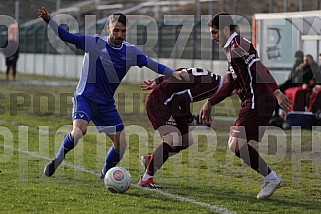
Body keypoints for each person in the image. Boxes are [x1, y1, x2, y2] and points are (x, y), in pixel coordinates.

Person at [37, 7, 189, 178]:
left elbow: (152, 64)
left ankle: (104, 173)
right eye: (115, 30)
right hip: (85, 98)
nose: (119, 34)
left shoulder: (130, 52)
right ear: (108, 29)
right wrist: (50, 20)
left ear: (127, 31)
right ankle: (58, 159)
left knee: (121, 144)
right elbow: (67, 37)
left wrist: (173, 73)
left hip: (106, 104)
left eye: (123, 31)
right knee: (79, 131)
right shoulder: (94, 43)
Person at [199, 12, 292, 200]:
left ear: (226, 30)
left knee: (236, 144)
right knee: (236, 145)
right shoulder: (232, 48)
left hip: (258, 101)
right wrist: (210, 102)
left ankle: (272, 178)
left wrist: (276, 91)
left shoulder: (238, 45)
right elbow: (230, 83)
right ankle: (271, 177)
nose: (213, 37)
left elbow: (259, 68)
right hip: (252, 102)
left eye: (215, 32)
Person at [137, 67, 223, 188]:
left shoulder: (211, 77)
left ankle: (150, 160)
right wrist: (189, 119)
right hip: (159, 101)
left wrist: (158, 80)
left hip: (172, 104)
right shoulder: (212, 87)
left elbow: (180, 71)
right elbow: (182, 99)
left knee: (186, 141)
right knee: (172, 139)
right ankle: (146, 179)